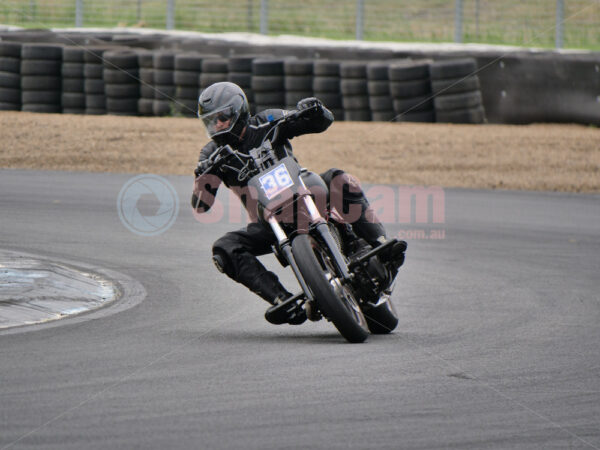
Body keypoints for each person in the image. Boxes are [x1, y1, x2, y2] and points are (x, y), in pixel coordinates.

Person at [191, 82, 405, 325]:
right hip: (269, 219)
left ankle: (379, 244)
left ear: (238, 111)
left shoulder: (266, 120)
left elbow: (319, 121)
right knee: (224, 247)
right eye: (211, 121)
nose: (217, 125)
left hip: (304, 191)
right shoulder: (210, 154)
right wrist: (202, 179)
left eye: (222, 117)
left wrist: (314, 110)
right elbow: (201, 205)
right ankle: (281, 299)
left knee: (340, 179)